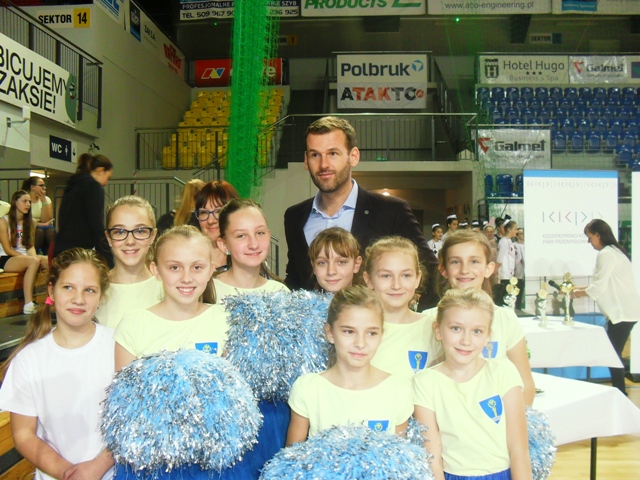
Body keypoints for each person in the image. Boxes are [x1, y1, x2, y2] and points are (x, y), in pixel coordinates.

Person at [283, 116, 438, 308]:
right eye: (315, 155)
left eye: (333, 153)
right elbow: (296, 280)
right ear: (306, 160)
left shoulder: (391, 211)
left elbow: (430, 272)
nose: (324, 165)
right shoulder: (295, 216)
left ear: (353, 156)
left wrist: (415, 319)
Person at [0, 248, 115, 480]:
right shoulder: (29, 360)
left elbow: (133, 420)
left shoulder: (118, 346)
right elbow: (24, 435)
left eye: (89, 290)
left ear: (101, 297)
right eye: (68, 287)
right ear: (51, 290)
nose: (78, 299)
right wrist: (67, 473)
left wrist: (97, 467)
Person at [413, 288, 532, 480]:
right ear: (438, 330)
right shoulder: (425, 382)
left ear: (488, 335)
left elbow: (519, 450)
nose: (466, 340)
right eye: (456, 328)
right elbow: (432, 456)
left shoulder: (503, 372)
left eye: (477, 331)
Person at [286, 285, 413, 444]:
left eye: (371, 333)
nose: (360, 343)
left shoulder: (398, 390)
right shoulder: (308, 388)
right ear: (330, 333)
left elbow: (401, 455)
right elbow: (291, 456)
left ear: (381, 335)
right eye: (349, 331)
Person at [427, 230, 535, 405]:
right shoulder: (426, 319)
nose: (464, 270)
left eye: (474, 261)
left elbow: (526, 385)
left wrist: (516, 420)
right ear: (443, 269)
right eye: (455, 262)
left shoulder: (505, 319)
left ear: (488, 269)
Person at [114, 226, 226, 370]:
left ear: (210, 270)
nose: (186, 278)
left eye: (197, 267)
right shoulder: (133, 325)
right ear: (156, 270)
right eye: (175, 267)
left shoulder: (226, 320)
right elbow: (124, 384)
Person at [571, 219, 640, 395]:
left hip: (622, 313)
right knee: (613, 355)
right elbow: (603, 284)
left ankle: (620, 393)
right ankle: (620, 392)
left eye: (589, 237)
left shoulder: (607, 254)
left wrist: (576, 294)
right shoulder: (614, 252)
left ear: (598, 235)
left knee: (613, 356)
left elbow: (598, 287)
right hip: (625, 312)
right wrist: (576, 289)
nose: (589, 241)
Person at [364, 237, 433, 379]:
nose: (396, 285)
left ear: (417, 279)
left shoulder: (433, 327)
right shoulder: (358, 328)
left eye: (406, 275)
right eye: (386, 276)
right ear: (368, 280)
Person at [95, 196, 164, 329]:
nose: (130, 241)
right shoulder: (94, 288)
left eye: (140, 231)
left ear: (152, 236)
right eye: (120, 232)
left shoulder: (167, 287)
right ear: (108, 237)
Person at [214, 199, 288, 303]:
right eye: (241, 236)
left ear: (268, 235)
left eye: (260, 233)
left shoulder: (280, 293)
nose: (254, 244)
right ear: (224, 244)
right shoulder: (208, 292)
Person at [54, 152, 114, 267]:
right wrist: (108, 258)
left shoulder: (72, 186)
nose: (106, 183)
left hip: (61, 248)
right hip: (79, 252)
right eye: (108, 177)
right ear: (101, 170)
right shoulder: (93, 187)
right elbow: (96, 223)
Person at [0, 191, 49, 314]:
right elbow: (7, 249)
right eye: (24, 201)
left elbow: (30, 246)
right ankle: (28, 304)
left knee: (50, 261)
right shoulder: (3, 221)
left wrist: (34, 258)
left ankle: (52, 299)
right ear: (15, 202)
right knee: (33, 261)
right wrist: (30, 259)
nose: (28, 204)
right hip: (7, 258)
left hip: (26, 257)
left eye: (29, 202)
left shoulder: (31, 221)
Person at [194, 180, 240, 269]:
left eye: (218, 211)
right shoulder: (189, 260)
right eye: (203, 212)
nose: (210, 221)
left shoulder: (249, 258)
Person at [308, 227, 362, 293]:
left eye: (341, 262)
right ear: (313, 266)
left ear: (356, 264)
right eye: (322, 263)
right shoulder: (299, 299)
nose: (331, 272)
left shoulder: (369, 299)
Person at [21, 177, 55, 254]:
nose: (44, 188)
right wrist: (42, 224)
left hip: (44, 225)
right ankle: (35, 254)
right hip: (29, 226)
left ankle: (52, 256)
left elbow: (47, 220)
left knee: (50, 231)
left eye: (44, 185)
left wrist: (43, 201)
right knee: (39, 231)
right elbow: (25, 220)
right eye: (41, 185)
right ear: (32, 187)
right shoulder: (25, 200)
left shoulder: (46, 199)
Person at [495, 219, 518, 306]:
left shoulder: (509, 241)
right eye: (515, 229)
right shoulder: (504, 241)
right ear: (509, 229)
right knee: (504, 296)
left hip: (509, 273)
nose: (516, 231)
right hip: (504, 273)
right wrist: (496, 270)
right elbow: (500, 258)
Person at [514, 228, 525, 310]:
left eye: (523, 233)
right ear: (517, 236)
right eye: (521, 233)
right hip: (517, 271)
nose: (523, 235)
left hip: (526, 271)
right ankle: (517, 308)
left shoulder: (529, 244)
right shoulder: (514, 245)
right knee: (518, 290)